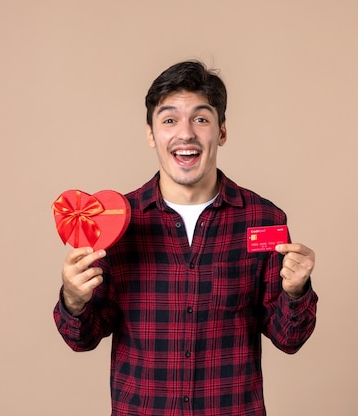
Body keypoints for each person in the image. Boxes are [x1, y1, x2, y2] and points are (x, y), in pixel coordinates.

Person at [53, 60, 318, 416]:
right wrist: (73, 298)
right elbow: (81, 338)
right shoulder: (114, 222)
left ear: (221, 131)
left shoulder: (264, 219)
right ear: (150, 134)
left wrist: (296, 291)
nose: (186, 134)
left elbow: (289, 339)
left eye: (201, 119)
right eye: (169, 120)